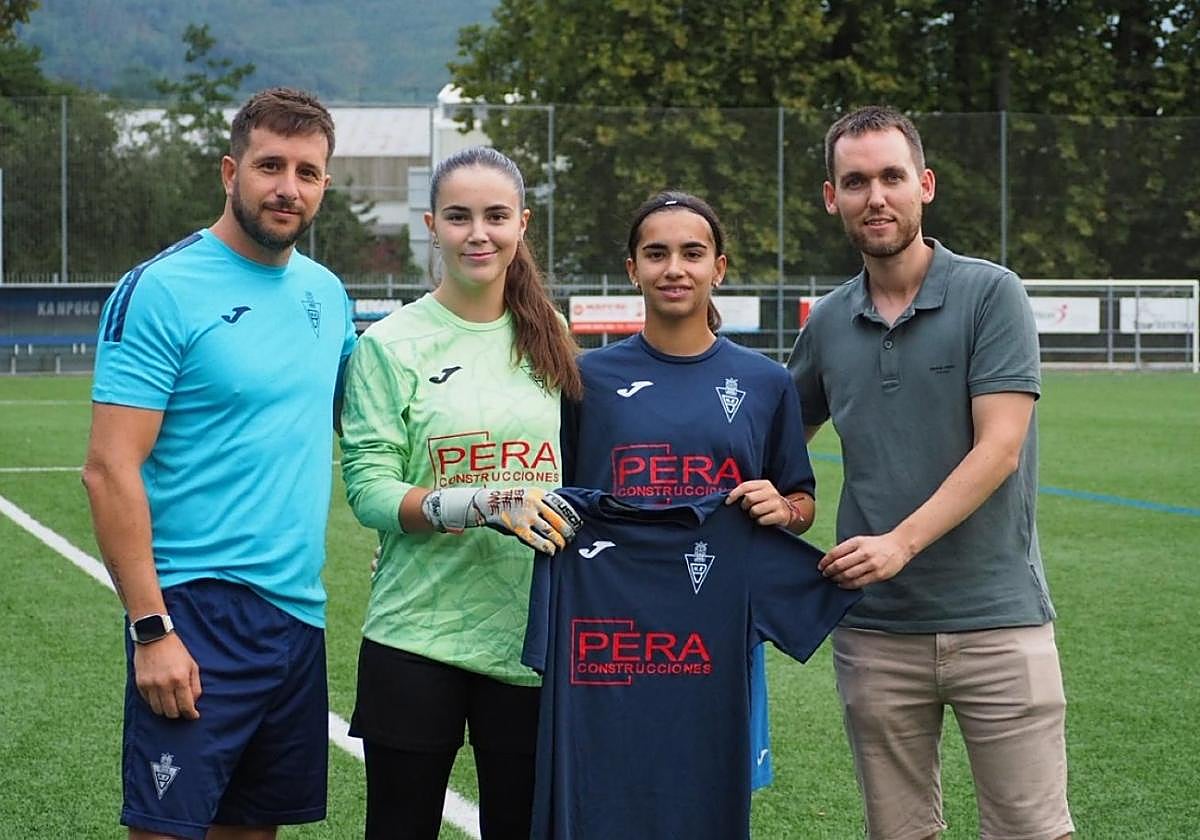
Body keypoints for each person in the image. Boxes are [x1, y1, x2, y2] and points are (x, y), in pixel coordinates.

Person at [787, 105, 1074, 840]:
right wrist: (787, 501)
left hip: (997, 621)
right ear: (832, 197)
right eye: (855, 181)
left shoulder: (991, 293)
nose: (875, 196)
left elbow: (999, 447)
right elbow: (777, 440)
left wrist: (898, 544)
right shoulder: (827, 322)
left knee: (1030, 832)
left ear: (925, 185)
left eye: (891, 177)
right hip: (876, 632)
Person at [82, 88, 356, 840]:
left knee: (253, 832)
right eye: (270, 165)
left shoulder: (328, 295)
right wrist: (150, 629)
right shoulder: (163, 289)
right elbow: (108, 469)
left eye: (307, 171)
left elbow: (367, 425)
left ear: (325, 185)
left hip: (298, 616)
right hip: (196, 612)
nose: (287, 187)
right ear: (231, 170)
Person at [339, 145, 582, 840]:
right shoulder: (389, 345)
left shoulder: (553, 337)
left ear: (522, 224)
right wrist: (476, 504)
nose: (479, 233)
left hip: (530, 637)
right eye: (459, 216)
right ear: (431, 225)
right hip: (417, 633)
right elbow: (370, 490)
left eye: (496, 216)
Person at [559, 191, 818, 791]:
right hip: (612, 635)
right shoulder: (585, 379)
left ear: (718, 268)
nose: (674, 268)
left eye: (692, 253)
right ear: (632, 270)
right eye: (656, 254)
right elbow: (560, 498)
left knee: (710, 793)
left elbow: (802, 503)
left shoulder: (766, 382)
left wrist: (782, 509)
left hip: (716, 634)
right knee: (612, 793)